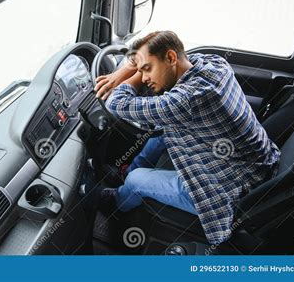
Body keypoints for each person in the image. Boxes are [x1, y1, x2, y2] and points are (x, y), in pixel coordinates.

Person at [94, 30, 280, 245]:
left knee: (136, 181)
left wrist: (128, 73)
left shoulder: (183, 102)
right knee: (160, 135)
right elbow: (166, 42)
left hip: (228, 191)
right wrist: (137, 64)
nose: (144, 78)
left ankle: (117, 201)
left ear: (172, 58)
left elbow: (116, 104)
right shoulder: (213, 63)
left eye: (147, 69)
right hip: (257, 165)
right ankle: (127, 171)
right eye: (141, 69)